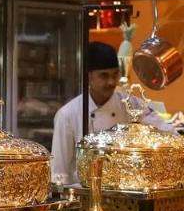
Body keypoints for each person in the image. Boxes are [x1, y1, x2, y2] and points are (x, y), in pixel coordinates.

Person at [51, 41, 176, 184]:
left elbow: (166, 132)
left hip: (125, 189)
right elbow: (59, 173)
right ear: (88, 77)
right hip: (84, 193)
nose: (111, 82)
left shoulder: (131, 104)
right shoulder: (67, 115)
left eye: (115, 74)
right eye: (104, 76)